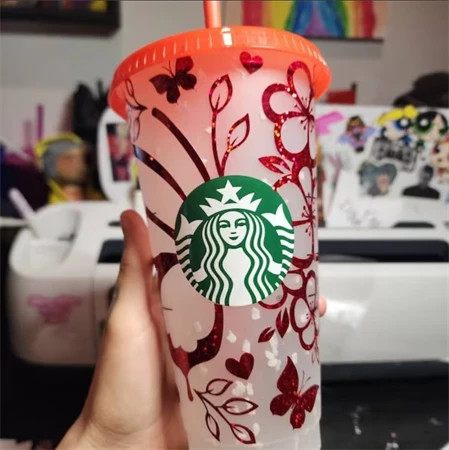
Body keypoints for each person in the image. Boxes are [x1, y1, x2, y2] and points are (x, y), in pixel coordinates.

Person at [57, 210, 327, 450]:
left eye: (241, 224)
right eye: (225, 225)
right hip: (205, 419)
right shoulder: (205, 271)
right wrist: (110, 443)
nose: (233, 231)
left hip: (291, 416)